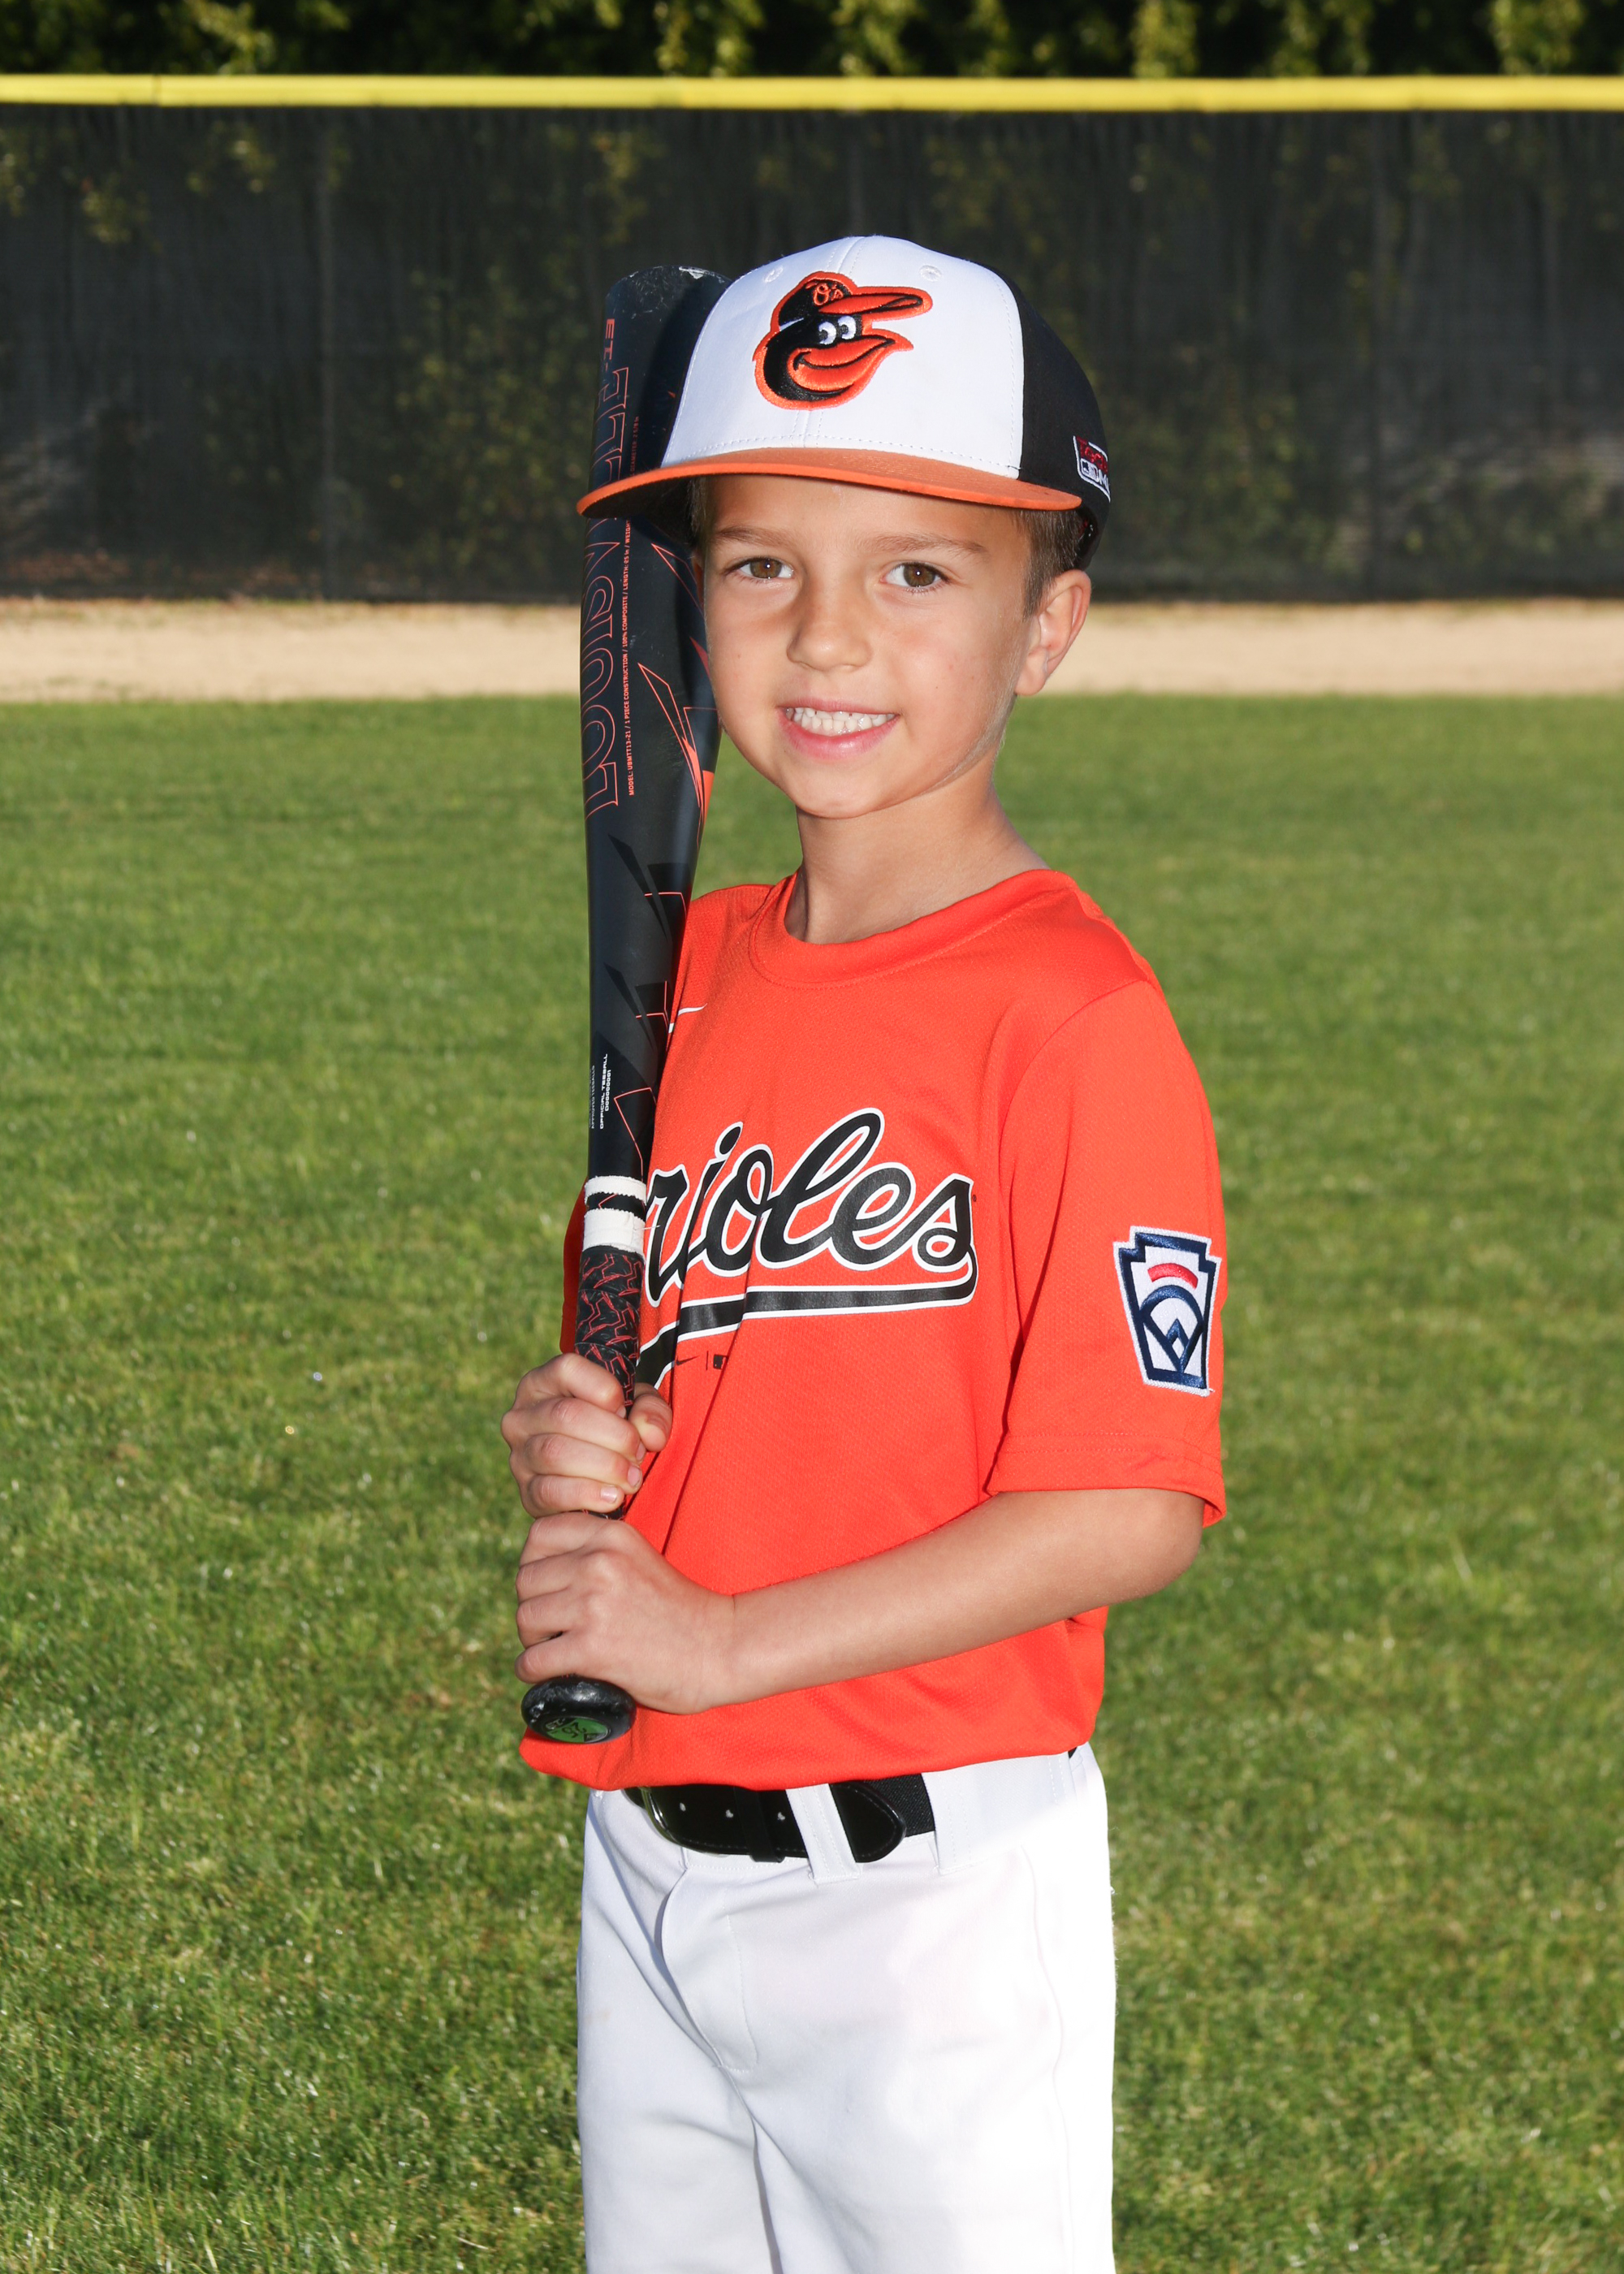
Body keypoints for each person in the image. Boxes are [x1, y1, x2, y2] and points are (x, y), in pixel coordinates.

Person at [503, 236, 1226, 2274]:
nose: (826, 633)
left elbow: (1126, 1504)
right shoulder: (685, 976)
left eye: (916, 569)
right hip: (650, 1852)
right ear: (686, 606)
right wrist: (583, 1428)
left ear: (1047, 621)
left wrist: (723, 1639)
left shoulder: (1073, 1018)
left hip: (929, 1910)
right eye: (760, 563)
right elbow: (687, 1361)